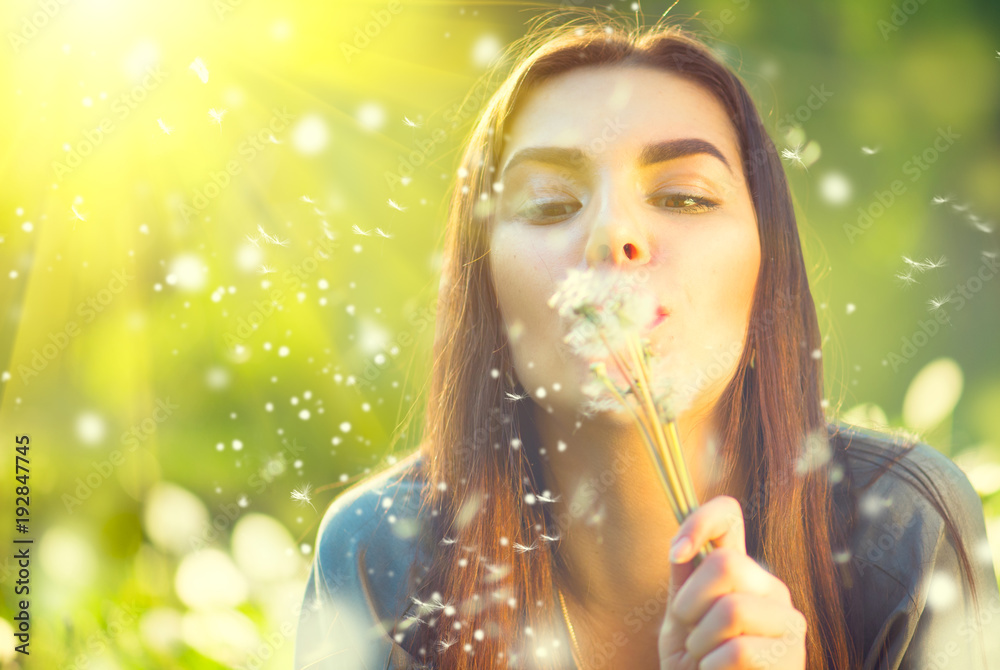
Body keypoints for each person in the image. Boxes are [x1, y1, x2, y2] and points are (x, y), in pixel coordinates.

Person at [295, 9, 1000, 670]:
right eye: (549, 205)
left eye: (685, 197)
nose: (613, 234)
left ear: (769, 274)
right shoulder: (379, 552)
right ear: (486, 295)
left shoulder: (903, 535)